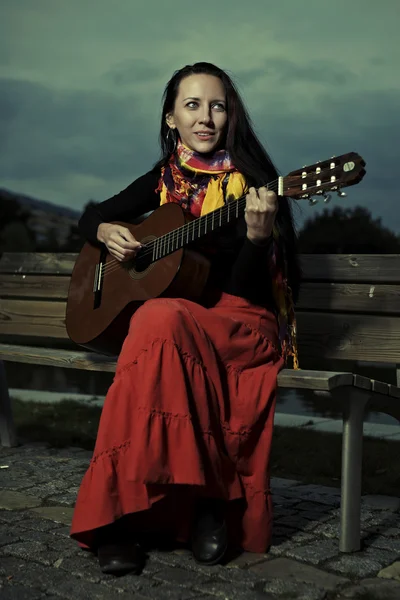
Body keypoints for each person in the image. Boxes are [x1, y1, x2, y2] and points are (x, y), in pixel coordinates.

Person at [70, 61, 301, 575]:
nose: (205, 117)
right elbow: (88, 216)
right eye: (192, 105)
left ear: (231, 116)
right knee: (159, 318)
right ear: (171, 117)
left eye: (217, 106)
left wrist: (259, 238)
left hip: (241, 322)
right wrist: (107, 230)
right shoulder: (161, 180)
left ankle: (199, 503)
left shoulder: (255, 185)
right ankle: (137, 515)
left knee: (157, 320)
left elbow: (248, 290)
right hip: (176, 321)